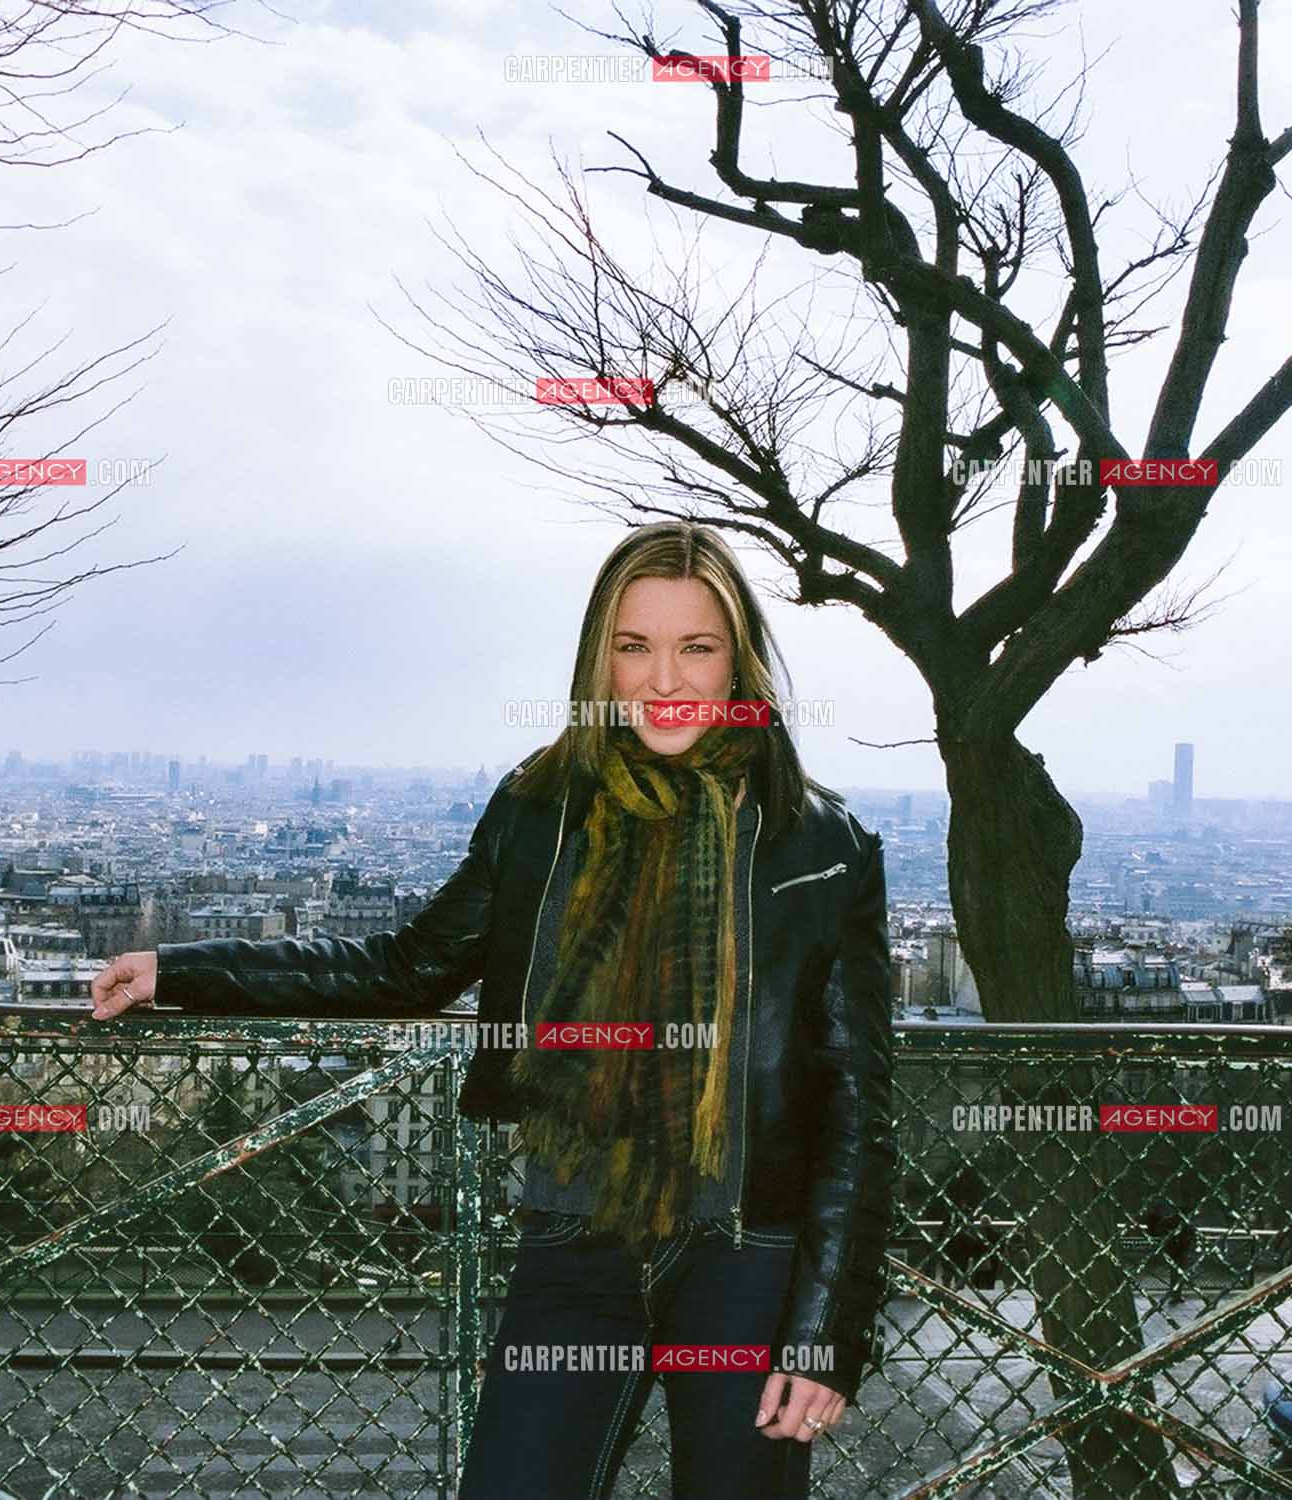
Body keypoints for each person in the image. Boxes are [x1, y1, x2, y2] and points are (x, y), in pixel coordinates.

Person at [90, 521, 895, 1500]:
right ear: (599, 659)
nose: (663, 677)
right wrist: (181, 968)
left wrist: (823, 1332)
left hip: (747, 1259)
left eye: (697, 645)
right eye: (633, 646)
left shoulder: (821, 843)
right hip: (577, 1239)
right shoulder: (540, 806)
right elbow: (409, 965)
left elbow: (857, 1105)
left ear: (739, 662)